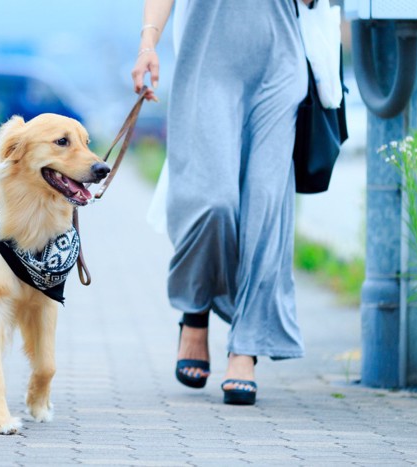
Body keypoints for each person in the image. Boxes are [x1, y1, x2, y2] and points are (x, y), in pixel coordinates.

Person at [131, 0, 313, 405]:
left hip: (278, 64)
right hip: (206, 65)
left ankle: (244, 346)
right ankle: (195, 307)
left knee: (264, 209)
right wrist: (148, 45)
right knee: (214, 202)